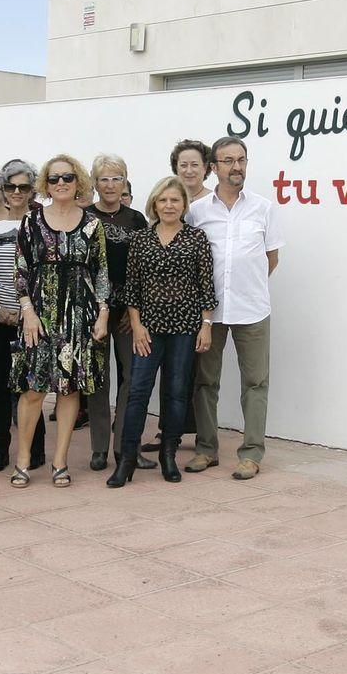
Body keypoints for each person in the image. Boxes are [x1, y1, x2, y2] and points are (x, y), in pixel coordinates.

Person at [11, 154, 110, 489]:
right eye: (54, 179)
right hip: (38, 317)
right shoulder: (30, 223)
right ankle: (23, 458)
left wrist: (104, 312)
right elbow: (20, 270)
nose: (62, 184)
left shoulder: (93, 225)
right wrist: (27, 312)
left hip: (79, 317)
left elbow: (101, 273)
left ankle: (60, 461)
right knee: (33, 390)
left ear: (78, 181)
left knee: (69, 391)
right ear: (45, 184)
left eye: (68, 178)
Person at [186, 136, 282, 480]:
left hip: (253, 310)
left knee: (255, 383)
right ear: (214, 167)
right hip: (209, 314)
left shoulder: (263, 207)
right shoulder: (197, 211)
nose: (236, 167)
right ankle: (206, 449)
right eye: (228, 160)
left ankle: (251, 453)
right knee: (204, 382)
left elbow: (271, 259)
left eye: (241, 160)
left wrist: (245, 283)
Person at [109, 177, 216, 486]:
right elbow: (133, 288)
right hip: (149, 329)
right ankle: (127, 459)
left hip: (185, 328)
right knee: (138, 391)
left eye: (175, 200)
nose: (169, 206)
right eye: (163, 200)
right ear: (154, 204)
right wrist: (138, 327)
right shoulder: (141, 239)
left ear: (184, 205)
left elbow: (206, 286)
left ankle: (168, 456)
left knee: (177, 391)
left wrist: (206, 326)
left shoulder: (196, 238)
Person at [0, 160, 45, 474]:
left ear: (32, 190)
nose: (16, 192)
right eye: (10, 186)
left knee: (32, 385)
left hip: (32, 321)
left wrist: (25, 312)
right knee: (1, 387)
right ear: (3, 190)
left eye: (23, 187)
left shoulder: (42, 226)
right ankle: (1, 449)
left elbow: (43, 277)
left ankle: (37, 449)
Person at [86, 154, 148, 472]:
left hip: (127, 313)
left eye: (117, 178)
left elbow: (143, 267)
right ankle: (99, 448)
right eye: (104, 179)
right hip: (94, 313)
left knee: (132, 379)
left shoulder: (136, 219)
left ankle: (127, 445)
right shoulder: (82, 217)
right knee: (98, 379)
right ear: (95, 183)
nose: (110, 185)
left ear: (125, 182)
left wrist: (135, 310)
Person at [172, 139, 213, 204]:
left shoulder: (214, 200)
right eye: (183, 165)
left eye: (194, 165)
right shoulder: (168, 199)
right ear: (176, 168)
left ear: (205, 167)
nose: (189, 171)